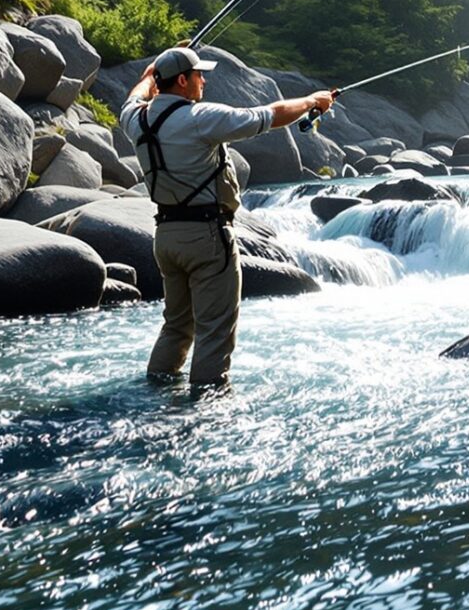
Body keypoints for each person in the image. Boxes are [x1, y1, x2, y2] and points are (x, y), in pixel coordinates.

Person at [121, 46, 334, 388]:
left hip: (166, 237)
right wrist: (311, 101)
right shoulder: (200, 118)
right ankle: (208, 411)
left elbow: (135, 94)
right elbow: (272, 114)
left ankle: (155, 392)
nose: (203, 80)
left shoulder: (136, 119)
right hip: (207, 237)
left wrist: (149, 78)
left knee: (176, 325)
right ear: (182, 80)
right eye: (198, 75)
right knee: (214, 331)